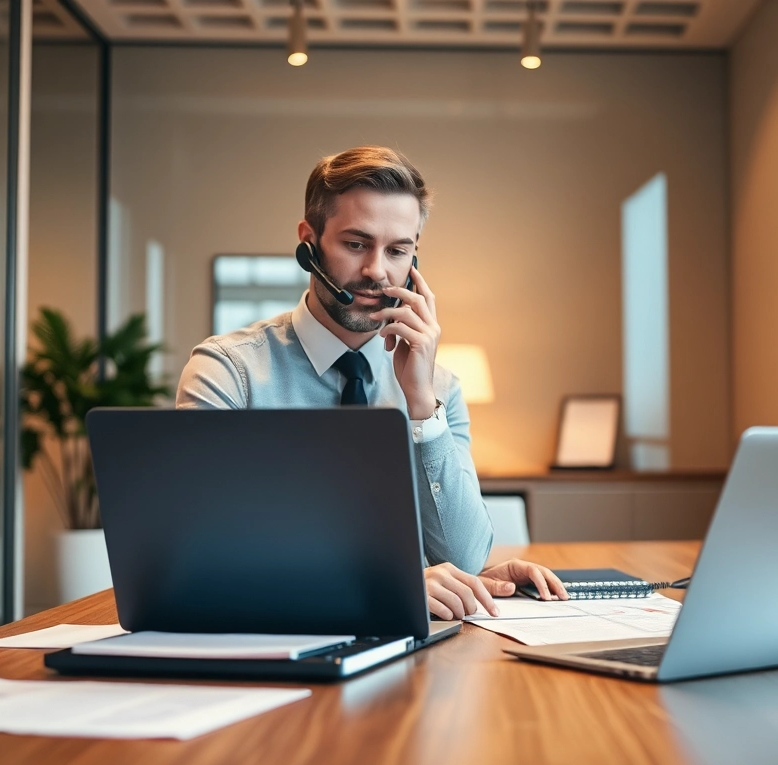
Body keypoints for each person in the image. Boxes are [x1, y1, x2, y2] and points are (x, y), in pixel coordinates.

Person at [175, 146, 566, 618]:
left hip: (414, 660)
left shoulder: (439, 388)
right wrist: (383, 586)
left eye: (398, 250)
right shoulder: (227, 373)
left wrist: (421, 404)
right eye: (356, 244)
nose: (377, 271)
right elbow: (208, 553)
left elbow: (463, 558)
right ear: (309, 241)